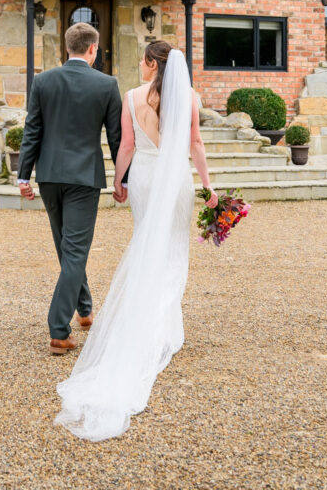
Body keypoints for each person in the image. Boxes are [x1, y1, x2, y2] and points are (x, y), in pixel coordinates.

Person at [55, 40, 218, 441]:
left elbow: (126, 146)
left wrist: (119, 181)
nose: (140, 66)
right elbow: (195, 144)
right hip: (175, 179)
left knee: (147, 243)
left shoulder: (131, 96)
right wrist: (208, 186)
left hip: (144, 176)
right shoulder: (188, 97)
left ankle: (152, 324)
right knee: (171, 252)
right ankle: (163, 330)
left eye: (142, 61)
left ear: (151, 63)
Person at [17, 21, 123, 355]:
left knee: (67, 248)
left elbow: (32, 130)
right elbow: (116, 138)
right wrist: (123, 179)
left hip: (49, 176)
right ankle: (58, 330)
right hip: (84, 178)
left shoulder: (42, 80)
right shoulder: (107, 84)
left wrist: (23, 176)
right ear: (93, 49)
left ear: (67, 47)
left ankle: (85, 309)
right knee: (75, 251)